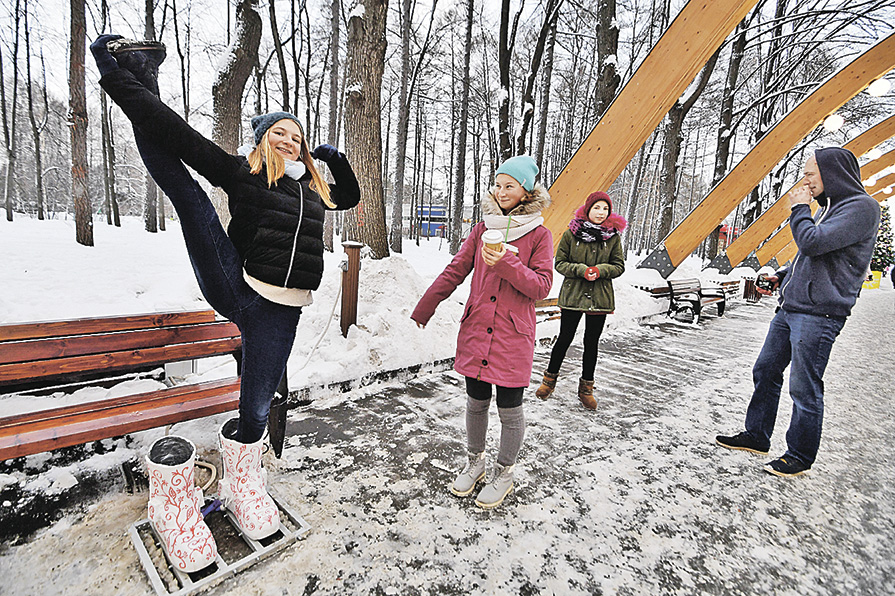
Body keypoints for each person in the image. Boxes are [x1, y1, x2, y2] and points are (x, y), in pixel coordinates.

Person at [90, 36, 360, 569]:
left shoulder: (314, 190)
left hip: (283, 310)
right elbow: (174, 132)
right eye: (279, 133)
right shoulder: (244, 173)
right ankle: (140, 68)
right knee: (185, 189)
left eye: (298, 136)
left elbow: (349, 196)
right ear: (262, 141)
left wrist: (334, 157)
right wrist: (116, 74)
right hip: (236, 283)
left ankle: (244, 482)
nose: (290, 140)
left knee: (257, 405)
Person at [716, 147, 880, 477]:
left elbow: (812, 243)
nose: (805, 181)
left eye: (810, 174)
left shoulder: (862, 208)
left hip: (820, 314)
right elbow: (807, 257)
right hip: (791, 307)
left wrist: (800, 209)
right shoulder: (828, 209)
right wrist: (781, 276)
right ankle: (757, 435)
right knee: (765, 369)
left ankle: (800, 455)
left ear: (832, 173)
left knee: (803, 386)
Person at [411, 155, 553, 509]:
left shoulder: (539, 234)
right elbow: (455, 269)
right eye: (499, 185)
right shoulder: (482, 229)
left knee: (509, 408)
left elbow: (542, 286)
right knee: (476, 404)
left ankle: (504, 472)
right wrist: (426, 305)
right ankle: (475, 463)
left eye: (511, 186)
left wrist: (507, 263)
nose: (503, 191)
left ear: (526, 190)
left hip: (512, 335)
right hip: (477, 329)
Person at [535, 191, 626, 410]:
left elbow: (619, 266)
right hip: (574, 294)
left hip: (600, 297)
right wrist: (581, 270)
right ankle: (549, 381)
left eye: (605, 209)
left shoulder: (613, 237)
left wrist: (600, 270)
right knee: (564, 338)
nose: (601, 213)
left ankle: (586, 389)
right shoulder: (571, 234)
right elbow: (560, 263)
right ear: (588, 209)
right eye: (597, 208)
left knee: (591, 343)